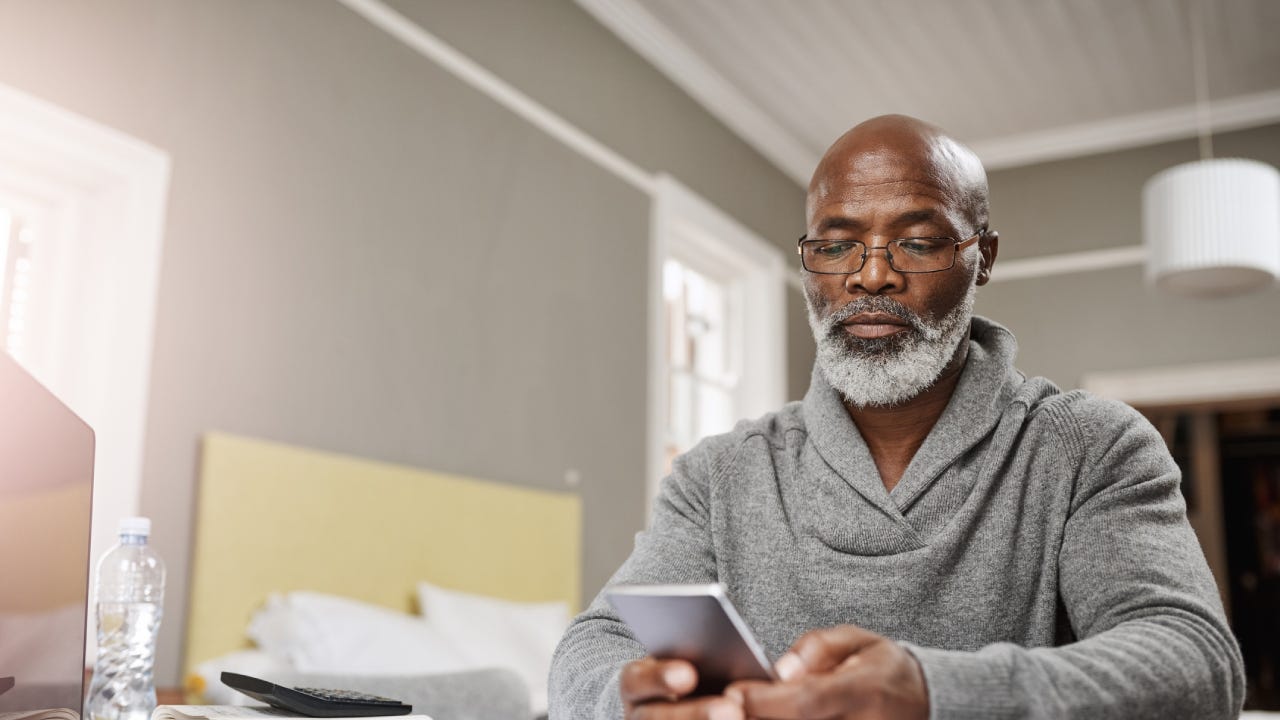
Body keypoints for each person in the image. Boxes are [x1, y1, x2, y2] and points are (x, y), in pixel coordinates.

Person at [547, 115, 1244, 719]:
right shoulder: (716, 475)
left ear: (982, 258)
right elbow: (590, 648)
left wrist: (936, 694)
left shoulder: (1090, 446)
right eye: (836, 243)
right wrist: (627, 702)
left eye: (917, 241)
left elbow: (1194, 664)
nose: (870, 275)